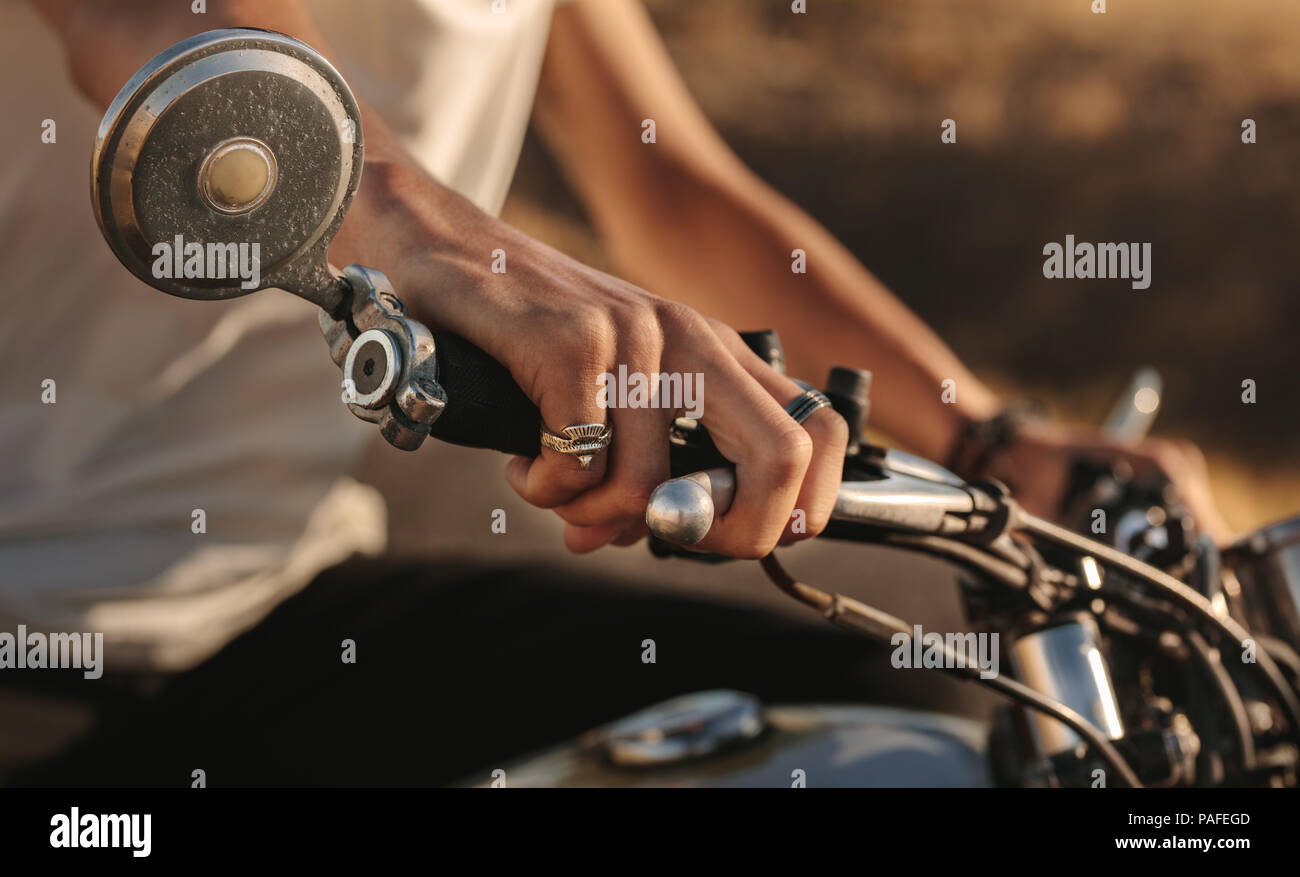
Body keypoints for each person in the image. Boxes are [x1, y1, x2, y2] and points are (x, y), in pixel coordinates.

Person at [0, 0, 1228, 785]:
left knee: (896, 725)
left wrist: (984, 439)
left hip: (267, 607)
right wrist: (438, 240)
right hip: (26, 645)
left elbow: (667, 188)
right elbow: (151, 21)